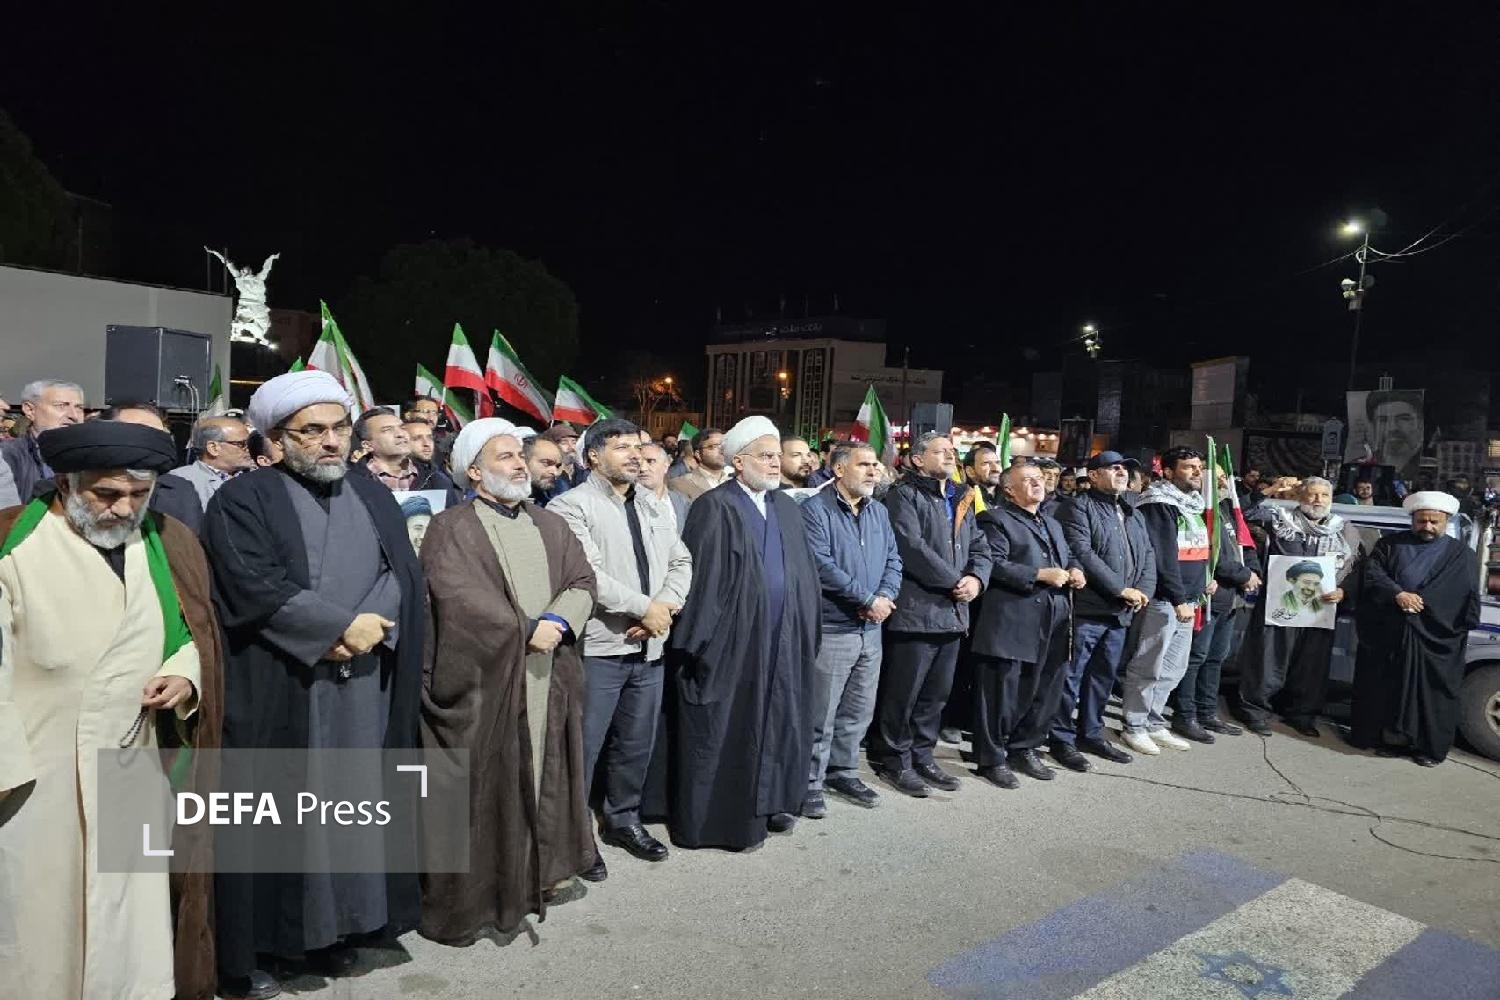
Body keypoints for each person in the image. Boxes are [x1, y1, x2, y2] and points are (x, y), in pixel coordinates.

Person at [203, 371, 426, 993]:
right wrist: (333, 629)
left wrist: (369, 627)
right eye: (313, 431)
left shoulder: (371, 493)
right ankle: (266, 948)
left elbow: (402, 572)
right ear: (276, 440)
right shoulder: (242, 499)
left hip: (363, 686)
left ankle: (339, 931)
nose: (331, 441)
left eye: (339, 428)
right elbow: (249, 581)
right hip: (284, 683)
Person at [0, 420, 224, 1000]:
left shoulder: (169, 541)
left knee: (127, 917)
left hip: (134, 762)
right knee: (38, 917)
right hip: (34, 774)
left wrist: (185, 674)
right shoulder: (12, 543)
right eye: (107, 493)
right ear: (66, 484)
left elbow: (193, 632)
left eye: (139, 494)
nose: (124, 508)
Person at [417, 419, 599, 940]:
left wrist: (558, 622)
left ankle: (539, 875)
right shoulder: (451, 527)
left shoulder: (549, 524)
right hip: (487, 680)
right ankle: (483, 897)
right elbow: (458, 599)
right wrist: (525, 629)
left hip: (547, 673)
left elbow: (582, 580)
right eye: (505, 457)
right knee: (485, 789)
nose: (519, 464)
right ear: (474, 472)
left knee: (546, 773)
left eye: (520, 456)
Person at [662, 415, 821, 847]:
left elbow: (805, 576)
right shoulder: (715, 506)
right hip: (736, 645)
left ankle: (773, 802)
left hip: (783, 641)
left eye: (776, 456)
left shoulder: (786, 507)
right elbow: (705, 583)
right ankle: (726, 820)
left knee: (780, 722)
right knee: (733, 728)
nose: (774, 463)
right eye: (764, 456)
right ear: (738, 462)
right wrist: (702, 646)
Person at [549, 418, 691, 876]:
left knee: (635, 743)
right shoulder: (570, 505)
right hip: (601, 645)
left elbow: (681, 559)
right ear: (593, 456)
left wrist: (664, 607)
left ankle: (623, 819)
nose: (635, 455)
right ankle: (575, 837)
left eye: (639, 447)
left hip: (650, 644)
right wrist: (645, 608)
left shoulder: (650, 502)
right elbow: (588, 574)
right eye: (622, 447)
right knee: (585, 747)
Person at [869, 431, 991, 797]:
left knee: (935, 696)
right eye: (940, 451)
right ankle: (893, 759)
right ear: (918, 460)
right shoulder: (903, 495)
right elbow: (911, 547)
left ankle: (922, 755)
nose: (950, 456)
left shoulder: (960, 495)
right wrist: (956, 580)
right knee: (902, 694)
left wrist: (976, 579)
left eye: (952, 451)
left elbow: (980, 545)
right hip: (917, 612)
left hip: (953, 613)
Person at [799, 443, 902, 816]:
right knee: (820, 714)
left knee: (858, 710)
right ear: (839, 469)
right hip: (833, 626)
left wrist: (885, 596)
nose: (873, 471)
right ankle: (808, 782)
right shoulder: (814, 510)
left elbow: (893, 559)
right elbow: (820, 565)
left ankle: (842, 773)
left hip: (870, 629)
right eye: (864, 465)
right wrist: (867, 598)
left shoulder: (878, 512)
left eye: (875, 465)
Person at [968, 462, 1084, 787]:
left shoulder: (1051, 522)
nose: (1037, 483)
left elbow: (1068, 556)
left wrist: (1075, 569)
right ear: (1009, 490)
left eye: (1039, 479)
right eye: (1028, 480)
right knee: (1000, 693)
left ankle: (1024, 747)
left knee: (1045, 690)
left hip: (1055, 619)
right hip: (1012, 619)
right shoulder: (995, 519)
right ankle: (991, 759)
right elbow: (993, 563)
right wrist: (1038, 574)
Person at [1350, 491, 1480, 765]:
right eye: (1422, 521)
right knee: (1387, 689)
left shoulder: (1461, 555)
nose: (1427, 527)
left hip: (1435, 638)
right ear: (1412, 520)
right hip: (1392, 634)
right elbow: (1373, 573)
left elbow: (1463, 594)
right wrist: (1398, 594)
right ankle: (1390, 741)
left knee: (1431, 695)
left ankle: (1426, 748)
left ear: (1446, 521)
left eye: (1434, 522)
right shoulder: (1389, 545)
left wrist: (1423, 604)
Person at [1051, 451, 1156, 765]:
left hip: (1120, 612)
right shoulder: (1077, 507)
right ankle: (1061, 739)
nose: (1122, 472)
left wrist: (1143, 591)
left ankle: (1092, 733)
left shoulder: (1131, 511)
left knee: (1102, 678)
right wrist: (1120, 589)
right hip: (1088, 609)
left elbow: (1148, 554)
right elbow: (1082, 552)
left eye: (1125, 468)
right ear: (1094, 475)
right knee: (1070, 677)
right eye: (1114, 468)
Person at [1239, 477, 1361, 738]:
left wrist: (1344, 591)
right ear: (1299, 497)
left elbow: (1355, 568)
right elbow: (1242, 512)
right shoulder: (1280, 520)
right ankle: (1255, 712)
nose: (1318, 500)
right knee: (1267, 661)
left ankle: (1301, 715)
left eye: (1324, 496)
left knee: (1311, 666)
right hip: (1278, 605)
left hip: (1320, 609)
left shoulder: (1345, 529)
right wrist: (1271, 489)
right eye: (1312, 495)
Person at [1120, 447, 1211, 755]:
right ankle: (1134, 725)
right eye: (1188, 467)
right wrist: (1178, 597)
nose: (1197, 472)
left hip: (1189, 598)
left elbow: (1194, 548)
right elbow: (1163, 556)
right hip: (1165, 600)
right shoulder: (1159, 503)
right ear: (1168, 472)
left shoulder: (1192, 504)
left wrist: (1204, 581)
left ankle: (1153, 721)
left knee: (1173, 667)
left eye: (1198, 467)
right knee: (1149, 664)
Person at [1173, 467, 1262, 743]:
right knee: (1196, 657)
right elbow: (1213, 556)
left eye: (1225, 477)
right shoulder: (1203, 511)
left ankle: (1207, 711)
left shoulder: (1228, 509)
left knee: (1216, 658)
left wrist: (1253, 572)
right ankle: (1185, 714)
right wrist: (1243, 575)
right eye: (1217, 476)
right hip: (1210, 597)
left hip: (1230, 599)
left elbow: (1246, 546)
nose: (1224, 481)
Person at [98, 401, 206, 534]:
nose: (151, 443)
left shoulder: (181, 490)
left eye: (160, 436)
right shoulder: (84, 482)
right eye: (140, 433)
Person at [1, 378, 86, 501]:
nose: (74, 415)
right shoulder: (7, 456)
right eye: (61, 406)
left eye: (79, 407)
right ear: (30, 410)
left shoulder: (92, 458)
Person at [171, 414, 255, 510]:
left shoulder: (258, 476)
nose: (249, 449)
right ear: (213, 448)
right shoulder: (179, 482)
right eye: (242, 444)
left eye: (250, 443)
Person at [1366, 389, 1423, 481]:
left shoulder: (1427, 465)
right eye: (1383, 420)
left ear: (1419, 424)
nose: (1392, 428)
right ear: (1372, 426)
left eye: (1403, 419)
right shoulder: (1363, 465)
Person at [640, 440, 691, 532]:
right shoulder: (624, 504)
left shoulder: (681, 502)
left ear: (666, 465)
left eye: (650, 461)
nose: (643, 468)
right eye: (637, 463)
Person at [669, 428, 730, 501]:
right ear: (698, 454)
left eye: (724, 446)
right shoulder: (680, 484)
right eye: (715, 446)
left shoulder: (735, 480)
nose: (722, 451)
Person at [525, 434, 568, 506]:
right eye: (546, 463)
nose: (555, 472)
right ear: (524, 460)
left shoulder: (557, 501)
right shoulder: (507, 500)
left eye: (557, 466)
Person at [542, 422, 588, 488]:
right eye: (564, 443)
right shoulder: (546, 475)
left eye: (574, 442)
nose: (571, 447)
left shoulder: (584, 473)